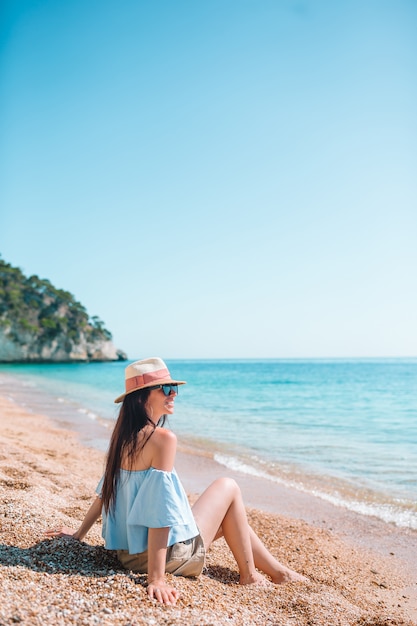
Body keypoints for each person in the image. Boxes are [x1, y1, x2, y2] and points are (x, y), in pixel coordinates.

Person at [45, 357, 307, 605]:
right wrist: (156, 579)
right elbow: (159, 511)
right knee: (228, 486)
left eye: (174, 388)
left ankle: (279, 572)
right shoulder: (162, 439)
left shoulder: (122, 439)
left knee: (230, 517)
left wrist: (79, 534)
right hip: (158, 558)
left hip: (126, 554)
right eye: (166, 388)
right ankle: (250, 577)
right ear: (141, 397)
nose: (174, 394)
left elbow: (105, 494)